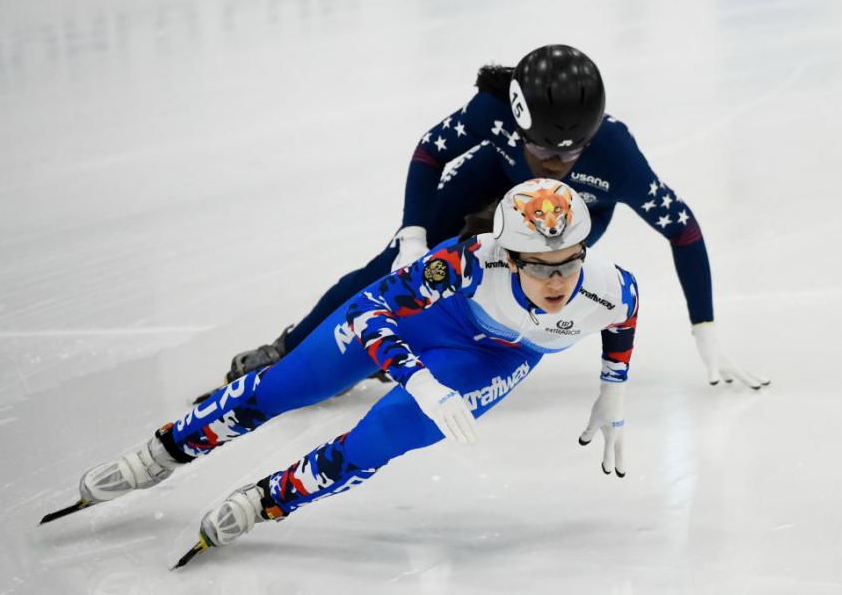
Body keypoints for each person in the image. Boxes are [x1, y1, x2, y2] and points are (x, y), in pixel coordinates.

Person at [46, 179, 639, 562]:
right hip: (417, 321)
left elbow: (625, 316)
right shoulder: (464, 262)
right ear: (507, 255)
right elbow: (376, 312)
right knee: (285, 387)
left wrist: (613, 387)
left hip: (493, 357)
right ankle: (163, 454)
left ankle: (270, 499)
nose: (558, 282)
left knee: (381, 436)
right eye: (539, 268)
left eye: (568, 264)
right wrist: (421, 379)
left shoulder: (608, 287)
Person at [211, 44, 766, 398]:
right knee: (390, 269)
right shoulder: (492, 112)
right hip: (488, 181)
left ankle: (419, 340)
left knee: (502, 281)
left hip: (570, 222)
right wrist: (412, 236)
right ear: (517, 122)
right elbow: (431, 151)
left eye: (571, 158)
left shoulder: (616, 156)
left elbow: (682, 228)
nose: (554, 166)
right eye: (544, 153)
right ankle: (288, 348)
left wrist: (705, 326)